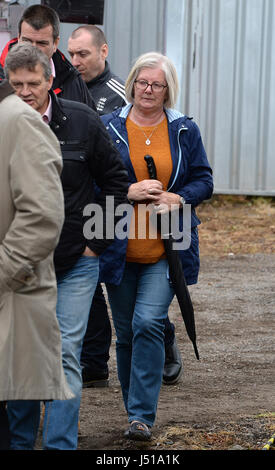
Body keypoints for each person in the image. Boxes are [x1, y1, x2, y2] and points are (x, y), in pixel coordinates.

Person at [5, 43, 128, 450]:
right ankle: (20, 443)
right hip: (21, 264)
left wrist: (98, 241)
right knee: (22, 356)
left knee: (64, 355)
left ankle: (60, 445)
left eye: (32, 84)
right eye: (16, 83)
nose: (24, 92)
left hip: (76, 261)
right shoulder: (5, 125)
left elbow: (115, 181)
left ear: (50, 81)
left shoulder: (82, 121)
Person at [99, 52, 213, 440]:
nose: (148, 90)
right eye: (142, 82)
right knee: (127, 331)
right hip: (117, 242)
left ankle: (142, 417)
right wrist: (126, 191)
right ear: (131, 84)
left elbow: (204, 180)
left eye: (157, 84)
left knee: (148, 322)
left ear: (168, 90)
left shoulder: (183, 129)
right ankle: (134, 412)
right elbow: (91, 183)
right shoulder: (106, 127)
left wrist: (180, 198)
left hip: (171, 242)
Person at [68, 26, 183, 387]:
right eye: (71, 54)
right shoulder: (63, 86)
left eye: (82, 54)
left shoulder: (123, 99)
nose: (76, 61)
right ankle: (96, 365)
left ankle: (162, 336)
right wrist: (119, 193)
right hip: (106, 218)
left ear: (103, 51)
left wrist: (175, 197)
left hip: (162, 228)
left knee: (145, 314)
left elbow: (199, 178)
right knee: (104, 292)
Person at [0, 79, 73, 450]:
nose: (27, 89)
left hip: (25, 285)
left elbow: (42, 215)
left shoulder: (20, 121)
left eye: (34, 82)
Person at [0, 4, 95, 109]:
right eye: (27, 41)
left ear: (55, 43)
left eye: (41, 43)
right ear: (18, 38)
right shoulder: (2, 78)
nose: (33, 49)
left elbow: (89, 122)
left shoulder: (71, 79)